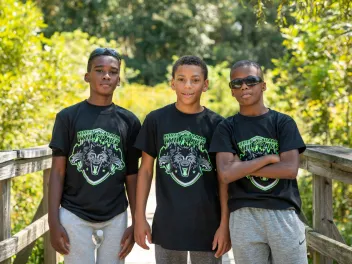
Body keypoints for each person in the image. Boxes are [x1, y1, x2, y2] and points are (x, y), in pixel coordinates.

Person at [134, 55, 231, 264]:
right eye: (181, 79)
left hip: (208, 226)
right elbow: (146, 171)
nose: (188, 86)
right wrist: (139, 217)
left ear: (205, 85)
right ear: (172, 83)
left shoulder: (217, 124)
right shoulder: (156, 120)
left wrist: (225, 224)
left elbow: (224, 179)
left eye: (195, 80)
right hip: (167, 225)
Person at [209, 60, 308, 264]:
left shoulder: (282, 123)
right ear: (232, 91)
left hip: (283, 212)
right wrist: (269, 159)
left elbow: (290, 169)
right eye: (237, 83)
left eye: (251, 81)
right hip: (244, 216)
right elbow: (226, 175)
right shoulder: (226, 128)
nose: (244, 86)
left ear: (263, 85)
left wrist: (240, 167)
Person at [48, 48, 141, 264]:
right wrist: (53, 222)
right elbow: (58, 173)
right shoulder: (67, 117)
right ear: (87, 76)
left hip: (115, 216)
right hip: (73, 213)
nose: (106, 75)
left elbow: (132, 175)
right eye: (99, 70)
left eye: (113, 72)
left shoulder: (129, 122)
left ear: (119, 79)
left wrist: (136, 222)